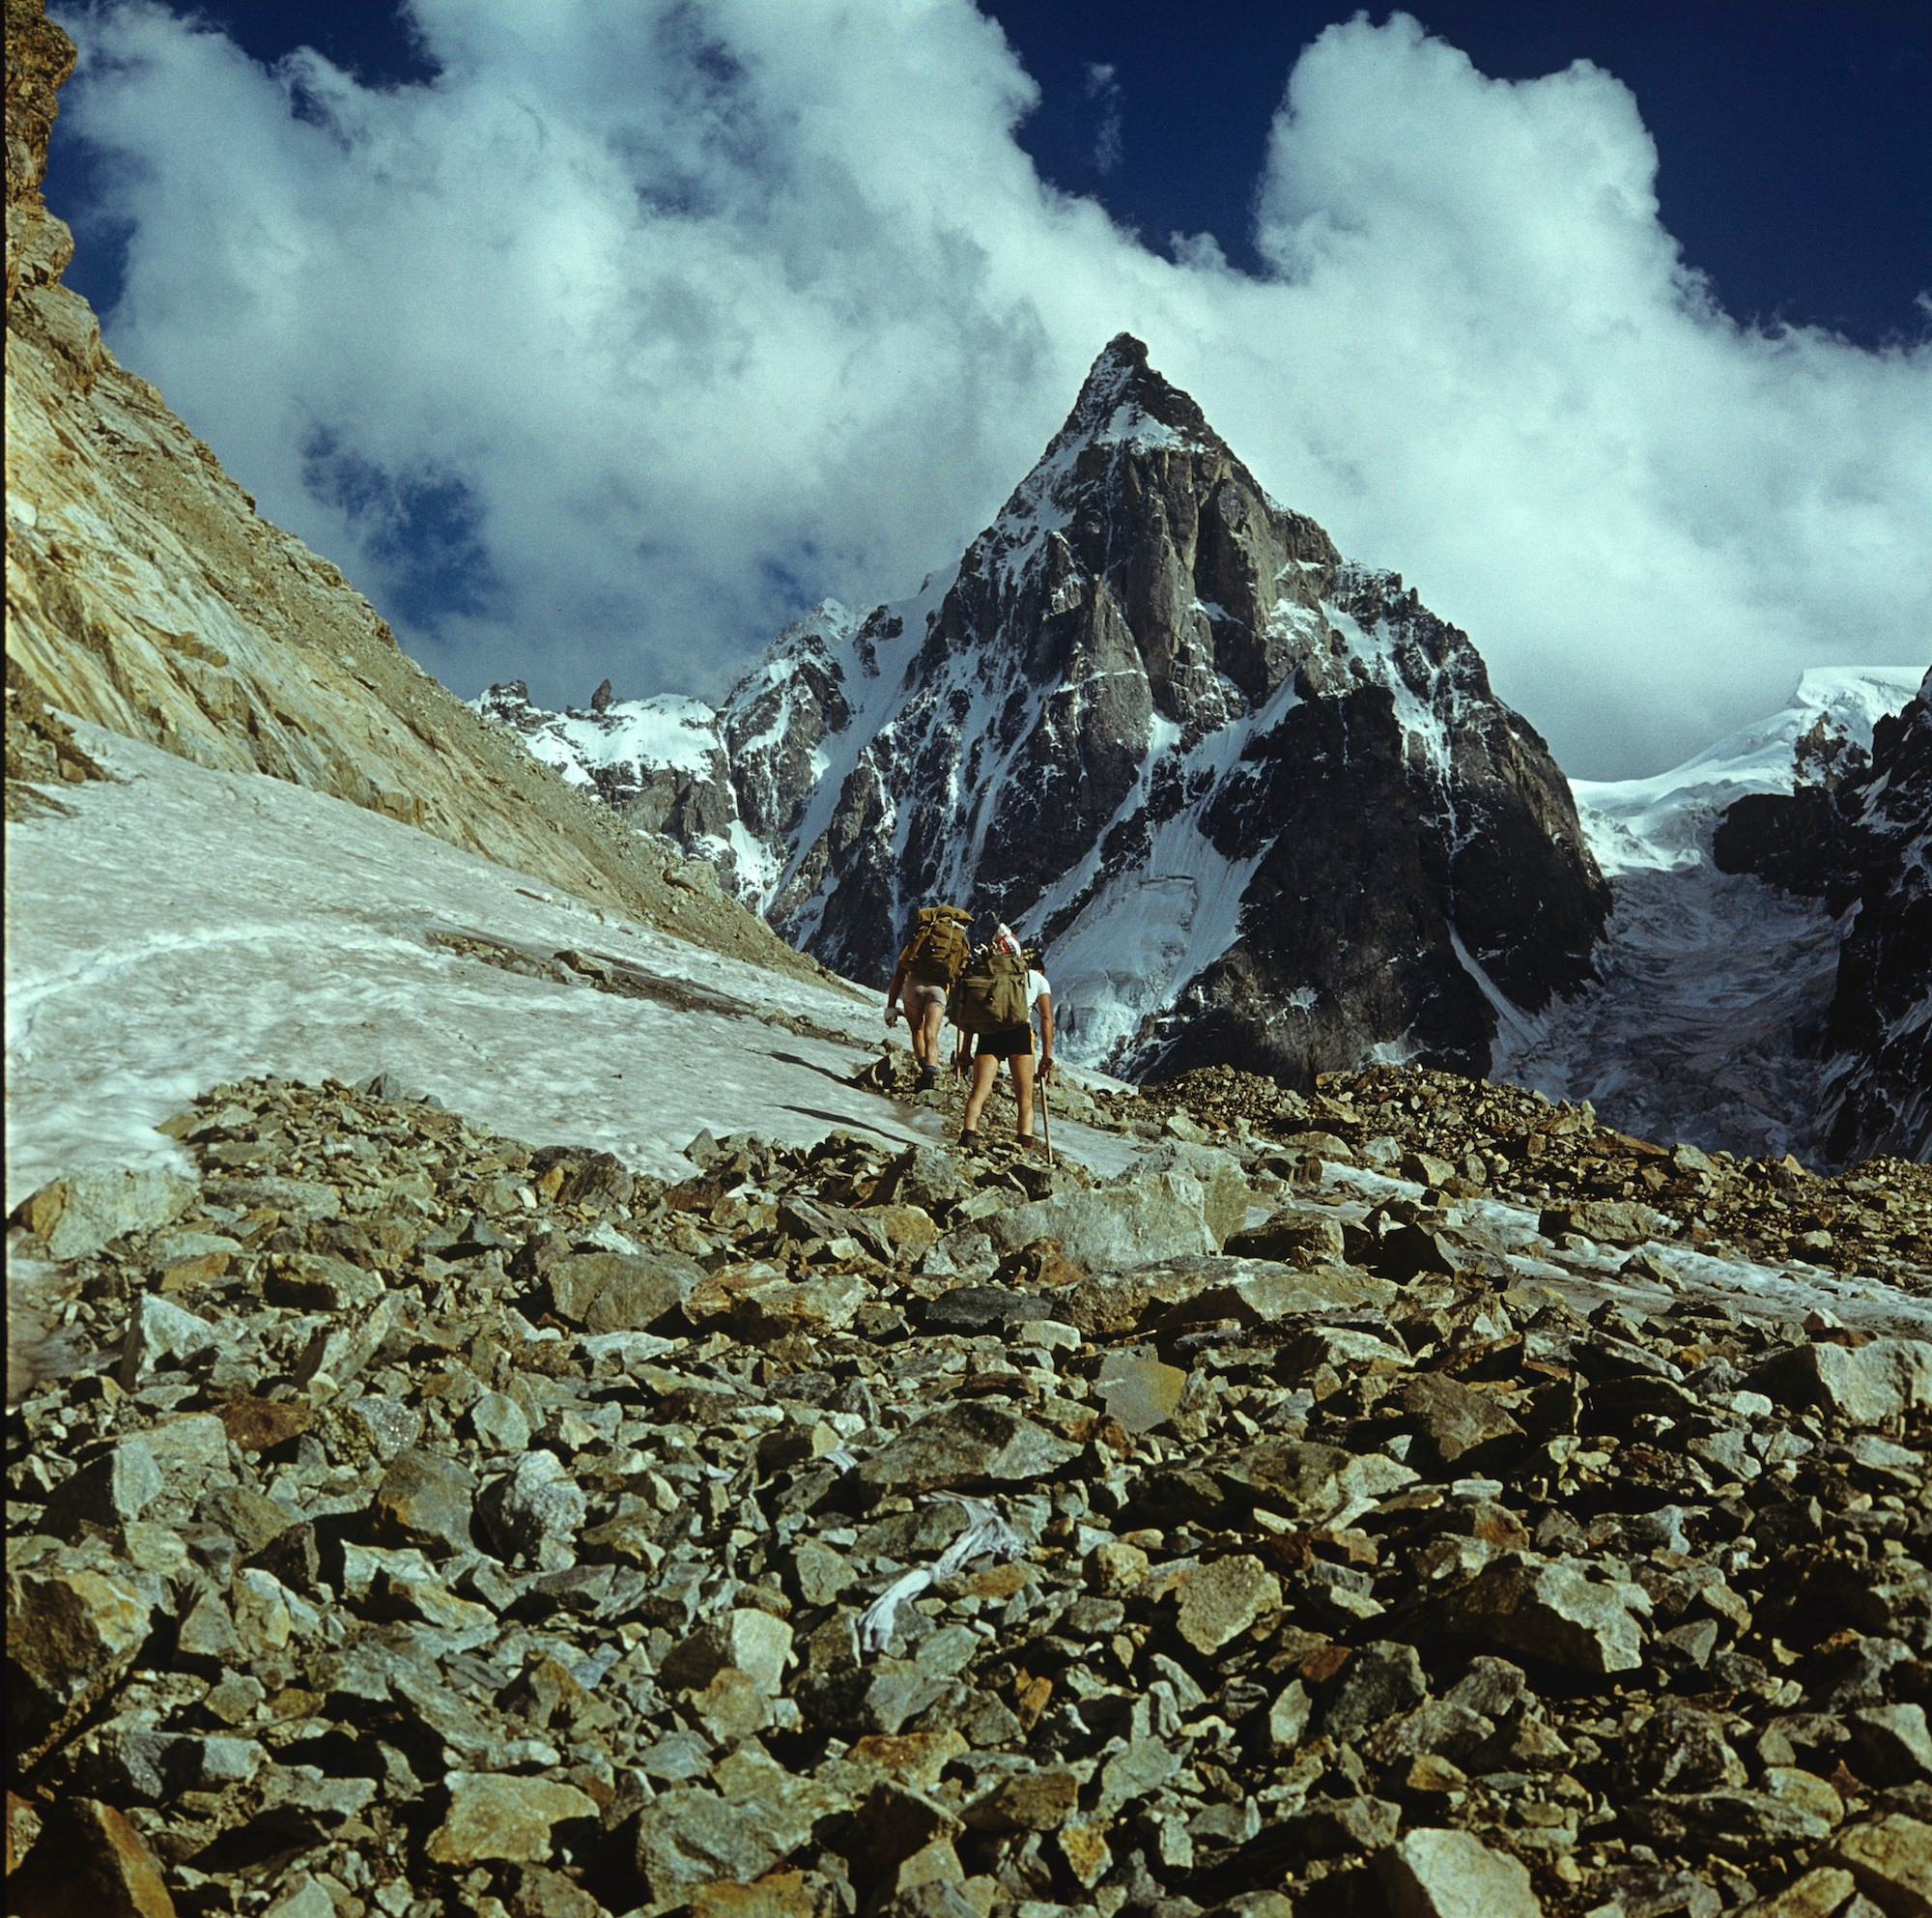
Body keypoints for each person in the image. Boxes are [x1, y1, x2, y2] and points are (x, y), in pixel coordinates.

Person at [959, 927, 1054, 1148]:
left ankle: (968, 1136)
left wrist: (965, 1050)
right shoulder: (1036, 979)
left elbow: (972, 1015)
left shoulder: (991, 975)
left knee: (979, 1092)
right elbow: (1047, 1018)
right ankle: (1024, 1144)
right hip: (1019, 1034)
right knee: (1024, 1099)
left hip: (990, 1032)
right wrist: (1047, 1056)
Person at [884, 908, 967, 1089]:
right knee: (931, 1034)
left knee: (917, 1029)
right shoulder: (957, 942)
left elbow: (899, 975)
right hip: (939, 990)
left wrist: (890, 1006)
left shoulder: (922, 937)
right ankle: (930, 1075)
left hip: (914, 985)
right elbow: (960, 975)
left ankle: (923, 1068)